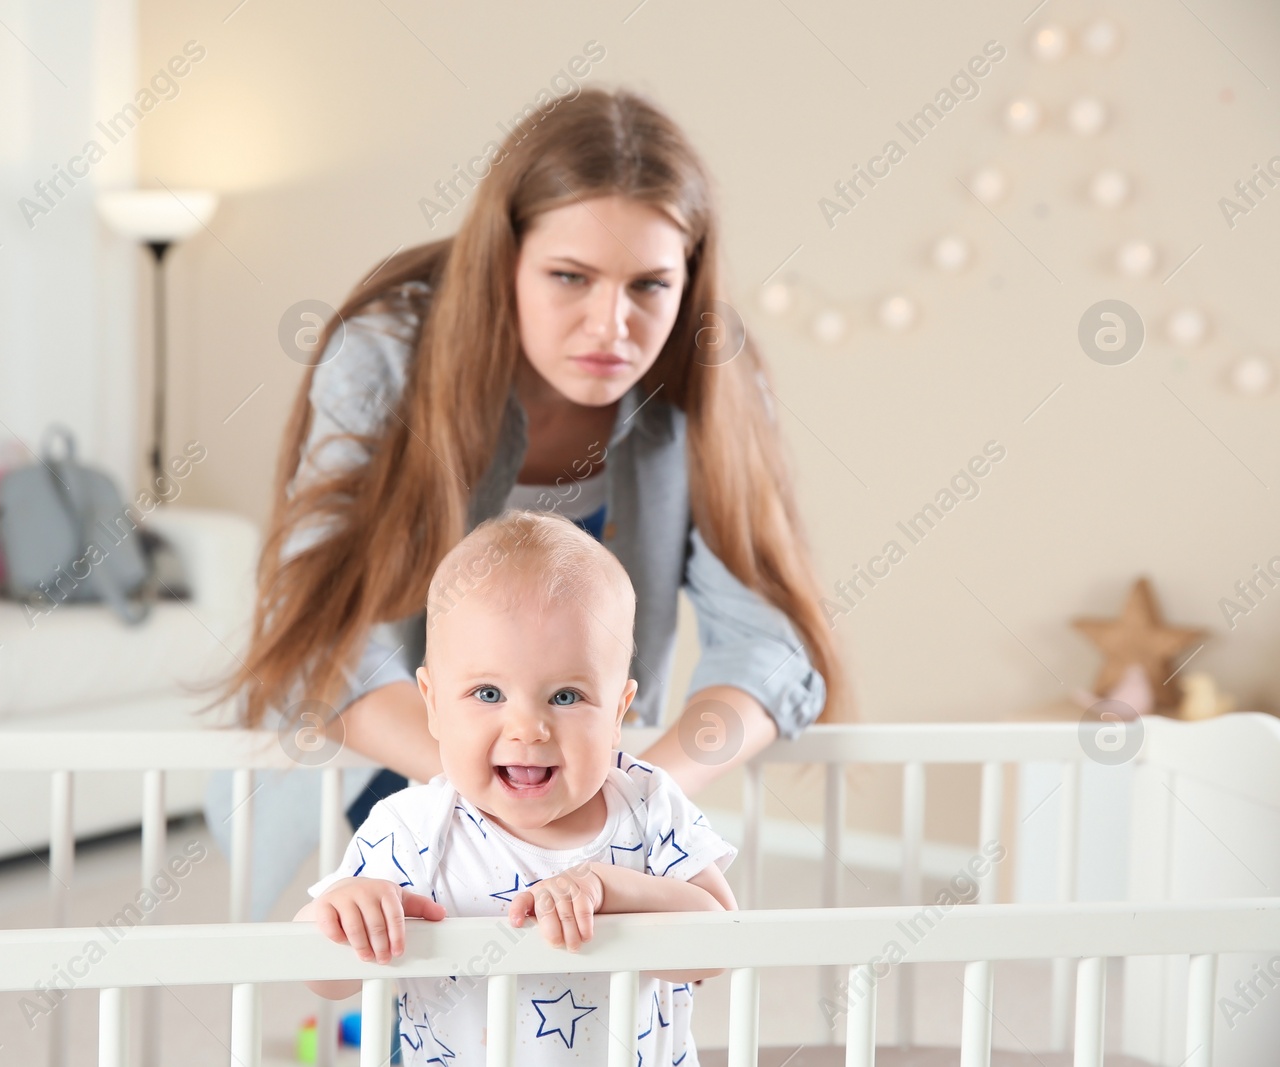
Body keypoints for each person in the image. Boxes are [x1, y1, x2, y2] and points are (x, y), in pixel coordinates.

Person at [202, 84, 848, 921]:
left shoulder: (709, 373)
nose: (610, 326)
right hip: (396, 752)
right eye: (569, 277)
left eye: (649, 286)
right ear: (503, 260)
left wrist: (630, 795)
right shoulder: (386, 356)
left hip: (587, 776)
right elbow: (321, 629)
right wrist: (487, 777)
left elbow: (765, 644)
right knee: (413, 991)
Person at [296, 510, 738, 1065]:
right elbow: (321, 978)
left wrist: (614, 889)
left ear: (619, 712)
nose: (529, 728)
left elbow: (720, 943)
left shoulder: (649, 805)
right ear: (431, 704)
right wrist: (342, 911)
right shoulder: (410, 829)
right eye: (487, 693)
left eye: (566, 697)